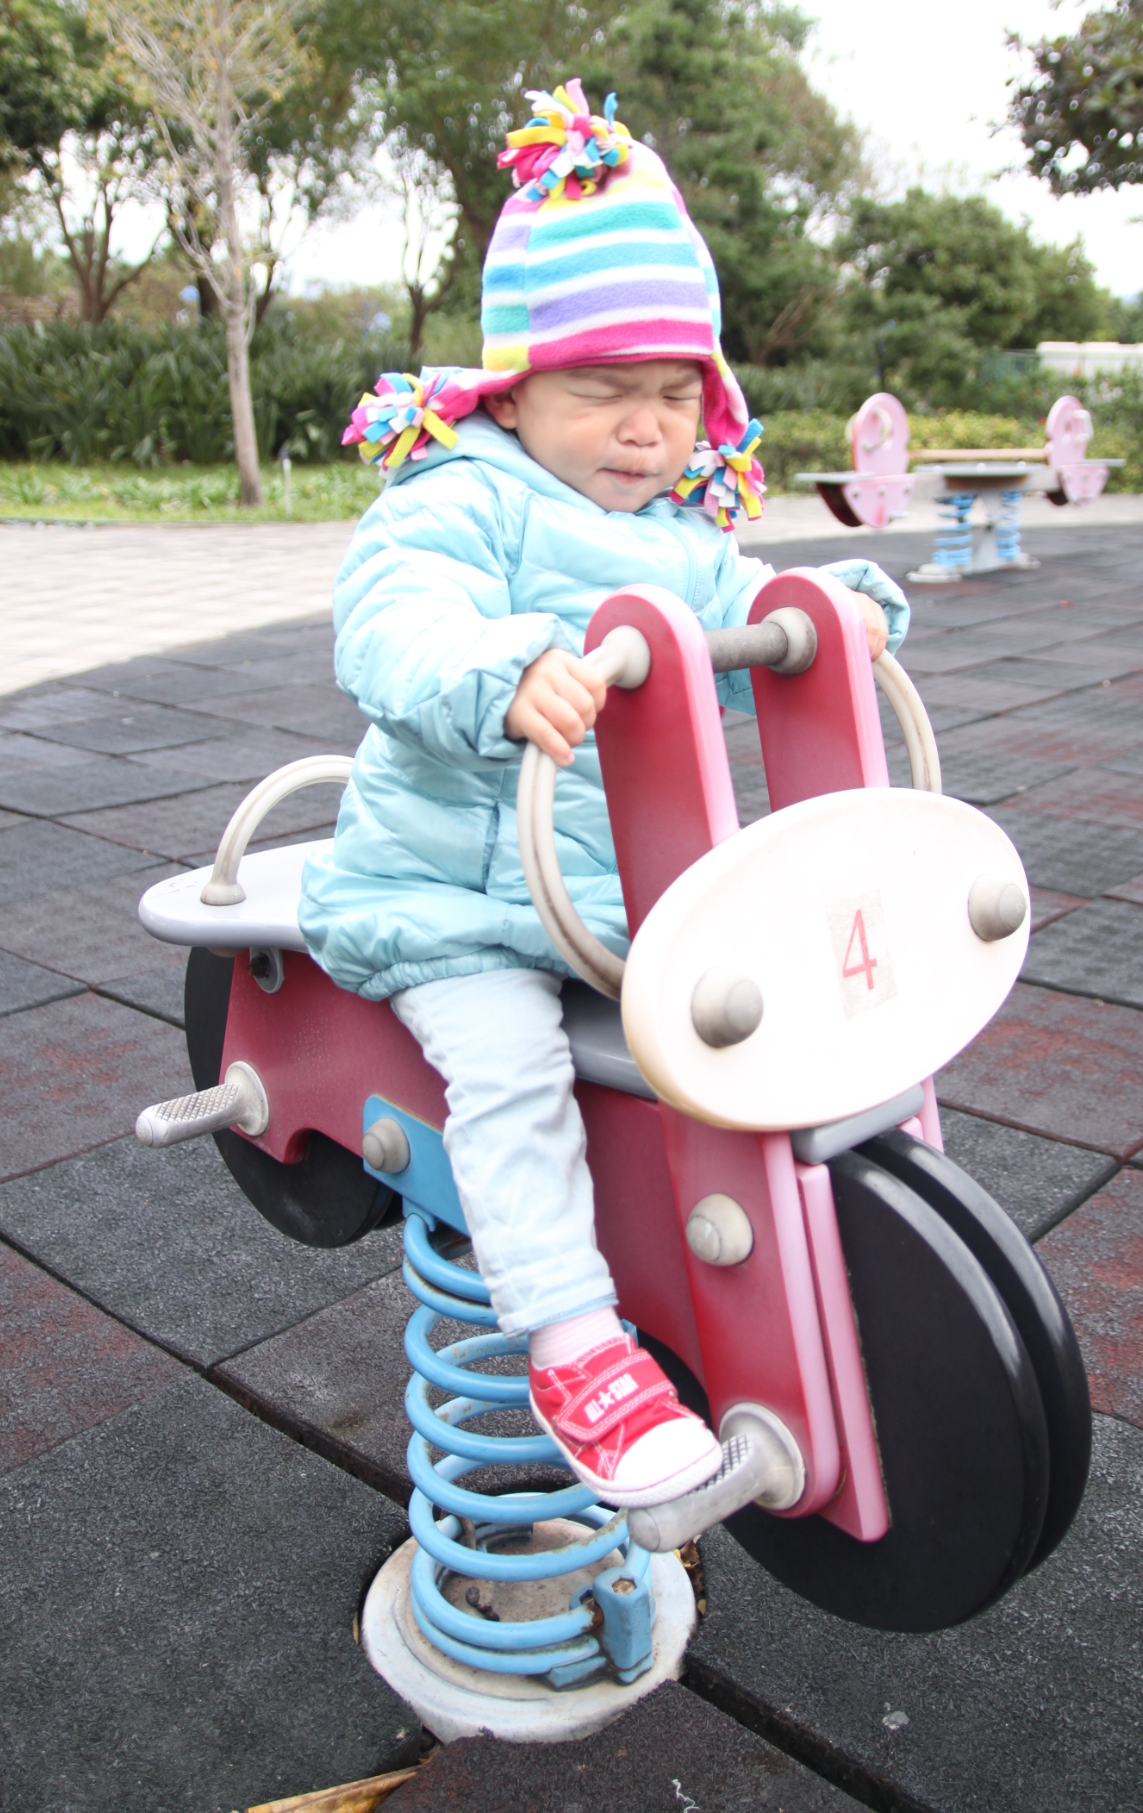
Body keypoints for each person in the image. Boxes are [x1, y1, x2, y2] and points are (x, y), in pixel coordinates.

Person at [300, 81, 910, 1512]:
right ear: (513, 391)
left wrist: (831, 615)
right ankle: (574, 1345)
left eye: (676, 396)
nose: (645, 430)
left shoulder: (680, 538)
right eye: (602, 391)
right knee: (512, 1081)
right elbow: (389, 617)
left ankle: (805, 1269)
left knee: (755, 1026)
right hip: (452, 904)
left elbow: (749, 606)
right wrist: (498, 667)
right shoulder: (462, 500)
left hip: (613, 911)